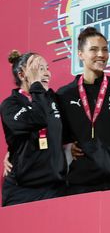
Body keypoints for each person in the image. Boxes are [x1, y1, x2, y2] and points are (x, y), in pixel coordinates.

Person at [57, 27, 110, 194]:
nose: (101, 54)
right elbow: (54, 134)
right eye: (93, 50)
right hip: (82, 183)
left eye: (105, 49)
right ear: (80, 54)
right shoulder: (65, 94)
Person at [1, 51, 65, 205]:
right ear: (22, 75)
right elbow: (39, 118)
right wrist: (36, 85)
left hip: (55, 189)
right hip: (22, 191)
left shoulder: (54, 99)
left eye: (46, 68)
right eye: (38, 68)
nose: (47, 73)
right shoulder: (10, 105)